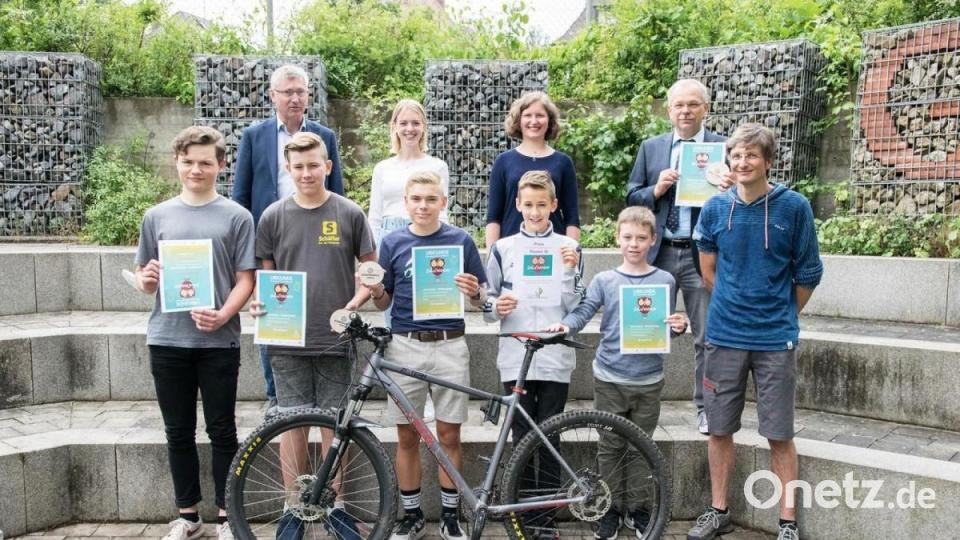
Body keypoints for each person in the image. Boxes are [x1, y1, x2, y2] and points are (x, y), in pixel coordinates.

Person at [686, 124, 823, 540]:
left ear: (768, 161)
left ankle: (786, 522)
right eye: (736, 156)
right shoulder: (714, 209)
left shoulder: (794, 207)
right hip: (724, 335)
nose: (743, 163)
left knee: (779, 433)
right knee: (718, 429)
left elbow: (808, 274)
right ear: (728, 160)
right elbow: (708, 271)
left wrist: (781, 313)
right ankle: (718, 510)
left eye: (752, 156)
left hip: (774, 340)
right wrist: (736, 303)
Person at [250, 132, 376, 540]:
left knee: (336, 428)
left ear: (328, 166)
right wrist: (258, 302)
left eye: (313, 165)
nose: (306, 173)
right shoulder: (272, 216)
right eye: (298, 166)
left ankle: (335, 506)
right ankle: (295, 504)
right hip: (286, 341)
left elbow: (371, 272)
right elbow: (265, 277)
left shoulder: (350, 213)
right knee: (292, 426)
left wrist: (355, 304)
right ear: (288, 169)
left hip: (337, 339)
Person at [134, 126, 256, 540]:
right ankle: (187, 516)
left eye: (206, 162)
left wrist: (224, 315)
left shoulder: (237, 216)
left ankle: (226, 516)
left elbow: (246, 278)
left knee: (222, 430)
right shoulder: (157, 216)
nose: (196, 169)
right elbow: (144, 277)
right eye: (188, 161)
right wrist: (147, 280)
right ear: (177, 163)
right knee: (178, 431)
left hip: (218, 340)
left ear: (221, 165)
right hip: (167, 338)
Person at [545, 206, 688, 540]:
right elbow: (584, 310)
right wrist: (566, 324)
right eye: (627, 237)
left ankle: (637, 511)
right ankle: (607, 510)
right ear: (617, 239)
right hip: (610, 377)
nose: (634, 244)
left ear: (653, 240)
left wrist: (680, 326)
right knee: (609, 446)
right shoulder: (606, 280)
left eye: (641, 238)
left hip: (649, 379)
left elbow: (664, 328)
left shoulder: (665, 280)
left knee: (641, 448)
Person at [361, 171, 487, 540]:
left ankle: (451, 515)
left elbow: (479, 299)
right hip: (404, 345)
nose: (423, 205)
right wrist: (376, 291)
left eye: (431, 199)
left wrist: (474, 291)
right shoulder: (393, 242)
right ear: (406, 202)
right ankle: (411, 514)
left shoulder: (460, 241)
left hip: (449, 344)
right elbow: (384, 299)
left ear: (443, 203)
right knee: (406, 437)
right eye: (416, 199)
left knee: (449, 434)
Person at [231, 63, 345, 418]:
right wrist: (246, 251)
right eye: (287, 92)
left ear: (309, 95)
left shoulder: (324, 135)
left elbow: (337, 190)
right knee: (273, 314)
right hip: (273, 241)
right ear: (273, 96)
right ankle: (276, 397)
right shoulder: (255, 136)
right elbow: (241, 195)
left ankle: (323, 399)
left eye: (301, 92)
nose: (295, 98)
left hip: (318, 241)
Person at [625, 78, 729, 435]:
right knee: (647, 330)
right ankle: (638, 408)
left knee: (707, 336)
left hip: (704, 254)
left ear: (706, 109)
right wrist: (656, 189)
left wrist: (730, 189)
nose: (685, 111)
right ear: (669, 110)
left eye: (693, 104)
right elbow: (631, 195)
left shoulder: (723, 148)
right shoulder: (651, 148)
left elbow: (741, 199)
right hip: (661, 253)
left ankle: (706, 408)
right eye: (678, 105)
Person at [484, 170, 583, 538]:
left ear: (554, 206)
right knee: (522, 435)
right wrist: (498, 306)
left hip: (554, 354)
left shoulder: (569, 249)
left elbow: (576, 304)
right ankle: (523, 516)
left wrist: (571, 271)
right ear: (518, 205)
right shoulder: (503, 247)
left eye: (543, 205)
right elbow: (487, 301)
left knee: (551, 434)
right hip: (515, 353)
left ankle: (547, 519)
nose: (535, 211)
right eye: (528, 205)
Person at [486, 91, 580, 245]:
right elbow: (494, 217)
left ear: (549, 120)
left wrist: (571, 254)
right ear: (518, 120)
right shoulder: (503, 161)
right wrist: (492, 256)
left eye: (540, 115)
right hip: (512, 250)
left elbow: (572, 217)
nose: (534, 121)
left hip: (552, 250)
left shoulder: (563, 162)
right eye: (528, 115)